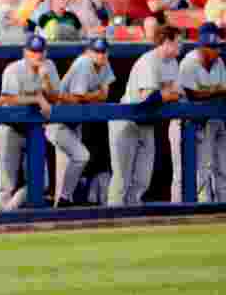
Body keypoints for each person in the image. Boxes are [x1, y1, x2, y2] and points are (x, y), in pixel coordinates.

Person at [109, 25, 182, 206]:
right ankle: (113, 219)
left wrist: (166, 94)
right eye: (177, 42)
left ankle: (133, 219)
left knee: (143, 178)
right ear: (166, 42)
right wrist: (167, 93)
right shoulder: (148, 61)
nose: (181, 46)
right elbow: (147, 97)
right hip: (126, 120)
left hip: (147, 122)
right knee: (122, 178)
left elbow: (177, 94)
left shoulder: (173, 62)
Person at [0, 34, 59, 210]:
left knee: (40, 183)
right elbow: (9, 99)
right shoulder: (13, 69)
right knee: (7, 183)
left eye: (40, 51)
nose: (37, 55)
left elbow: (54, 97)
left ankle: (8, 212)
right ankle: (1, 216)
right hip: (9, 130)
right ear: (25, 52)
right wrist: (37, 98)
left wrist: (45, 80)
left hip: (33, 130)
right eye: (33, 51)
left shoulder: (49, 66)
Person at [47, 38, 115, 207]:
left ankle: (64, 202)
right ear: (89, 52)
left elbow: (104, 96)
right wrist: (93, 96)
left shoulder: (105, 63)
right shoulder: (84, 63)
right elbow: (78, 98)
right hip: (58, 122)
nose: (100, 55)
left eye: (103, 52)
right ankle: (62, 202)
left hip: (75, 124)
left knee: (74, 165)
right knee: (81, 157)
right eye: (97, 52)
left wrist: (88, 97)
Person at [170, 22, 226, 203]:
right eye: (213, 48)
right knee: (184, 173)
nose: (217, 51)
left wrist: (213, 91)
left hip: (209, 122)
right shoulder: (189, 63)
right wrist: (216, 90)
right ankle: (178, 212)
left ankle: (218, 208)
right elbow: (193, 95)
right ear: (202, 48)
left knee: (215, 169)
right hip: (185, 124)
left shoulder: (219, 63)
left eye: (218, 47)